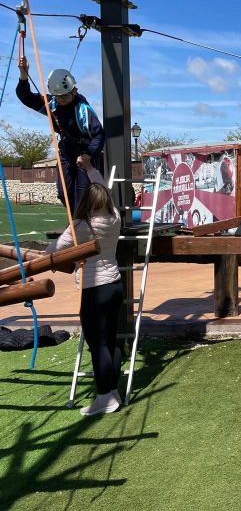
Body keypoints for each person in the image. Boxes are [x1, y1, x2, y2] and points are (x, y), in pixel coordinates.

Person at [47, 154, 122, 416]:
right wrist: (89, 168)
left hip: (93, 291)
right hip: (115, 285)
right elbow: (103, 188)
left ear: (86, 202)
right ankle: (112, 391)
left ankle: (105, 398)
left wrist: (47, 255)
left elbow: (53, 250)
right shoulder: (114, 218)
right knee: (111, 341)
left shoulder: (80, 226)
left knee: (97, 344)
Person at [16, 57, 105, 213]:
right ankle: (76, 220)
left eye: (64, 96)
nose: (60, 100)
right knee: (63, 194)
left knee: (83, 195)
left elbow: (99, 134)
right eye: (57, 96)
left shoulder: (83, 110)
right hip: (66, 153)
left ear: (74, 91)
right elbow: (26, 97)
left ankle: (80, 223)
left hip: (85, 152)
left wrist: (88, 155)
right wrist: (24, 74)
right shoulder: (53, 103)